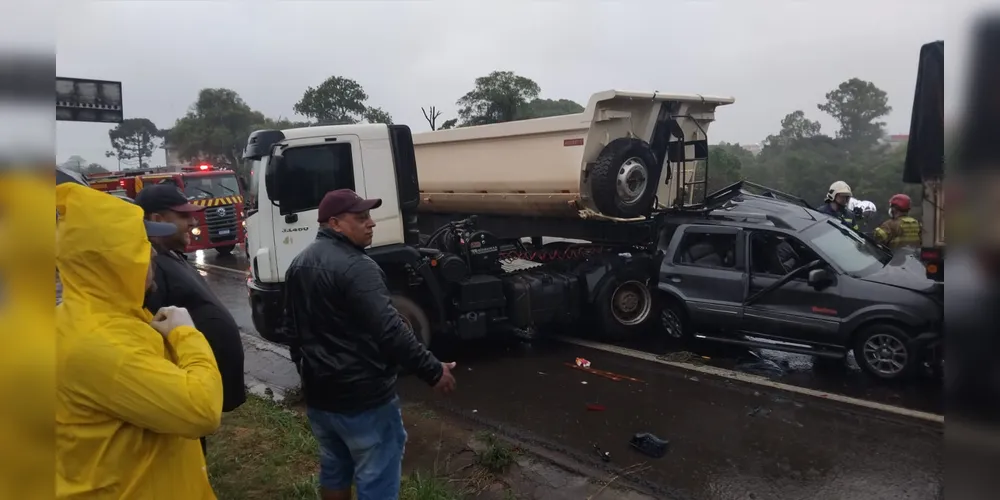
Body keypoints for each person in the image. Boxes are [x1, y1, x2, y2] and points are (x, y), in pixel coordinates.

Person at [284, 188, 458, 500]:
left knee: (335, 467)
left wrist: (307, 371)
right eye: (361, 218)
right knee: (377, 476)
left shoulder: (299, 263)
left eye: (370, 216)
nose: (371, 223)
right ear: (335, 223)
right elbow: (390, 329)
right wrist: (433, 369)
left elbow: (292, 330)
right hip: (363, 399)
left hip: (321, 397)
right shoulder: (358, 267)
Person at [56, 181, 223, 499]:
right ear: (113, 259)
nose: (150, 253)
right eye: (141, 243)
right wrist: (185, 334)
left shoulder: (97, 318)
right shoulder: (103, 345)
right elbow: (201, 409)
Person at [136, 184, 247, 454]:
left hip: (203, 388)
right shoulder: (150, 268)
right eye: (184, 216)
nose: (192, 222)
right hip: (186, 393)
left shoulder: (170, 255)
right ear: (157, 220)